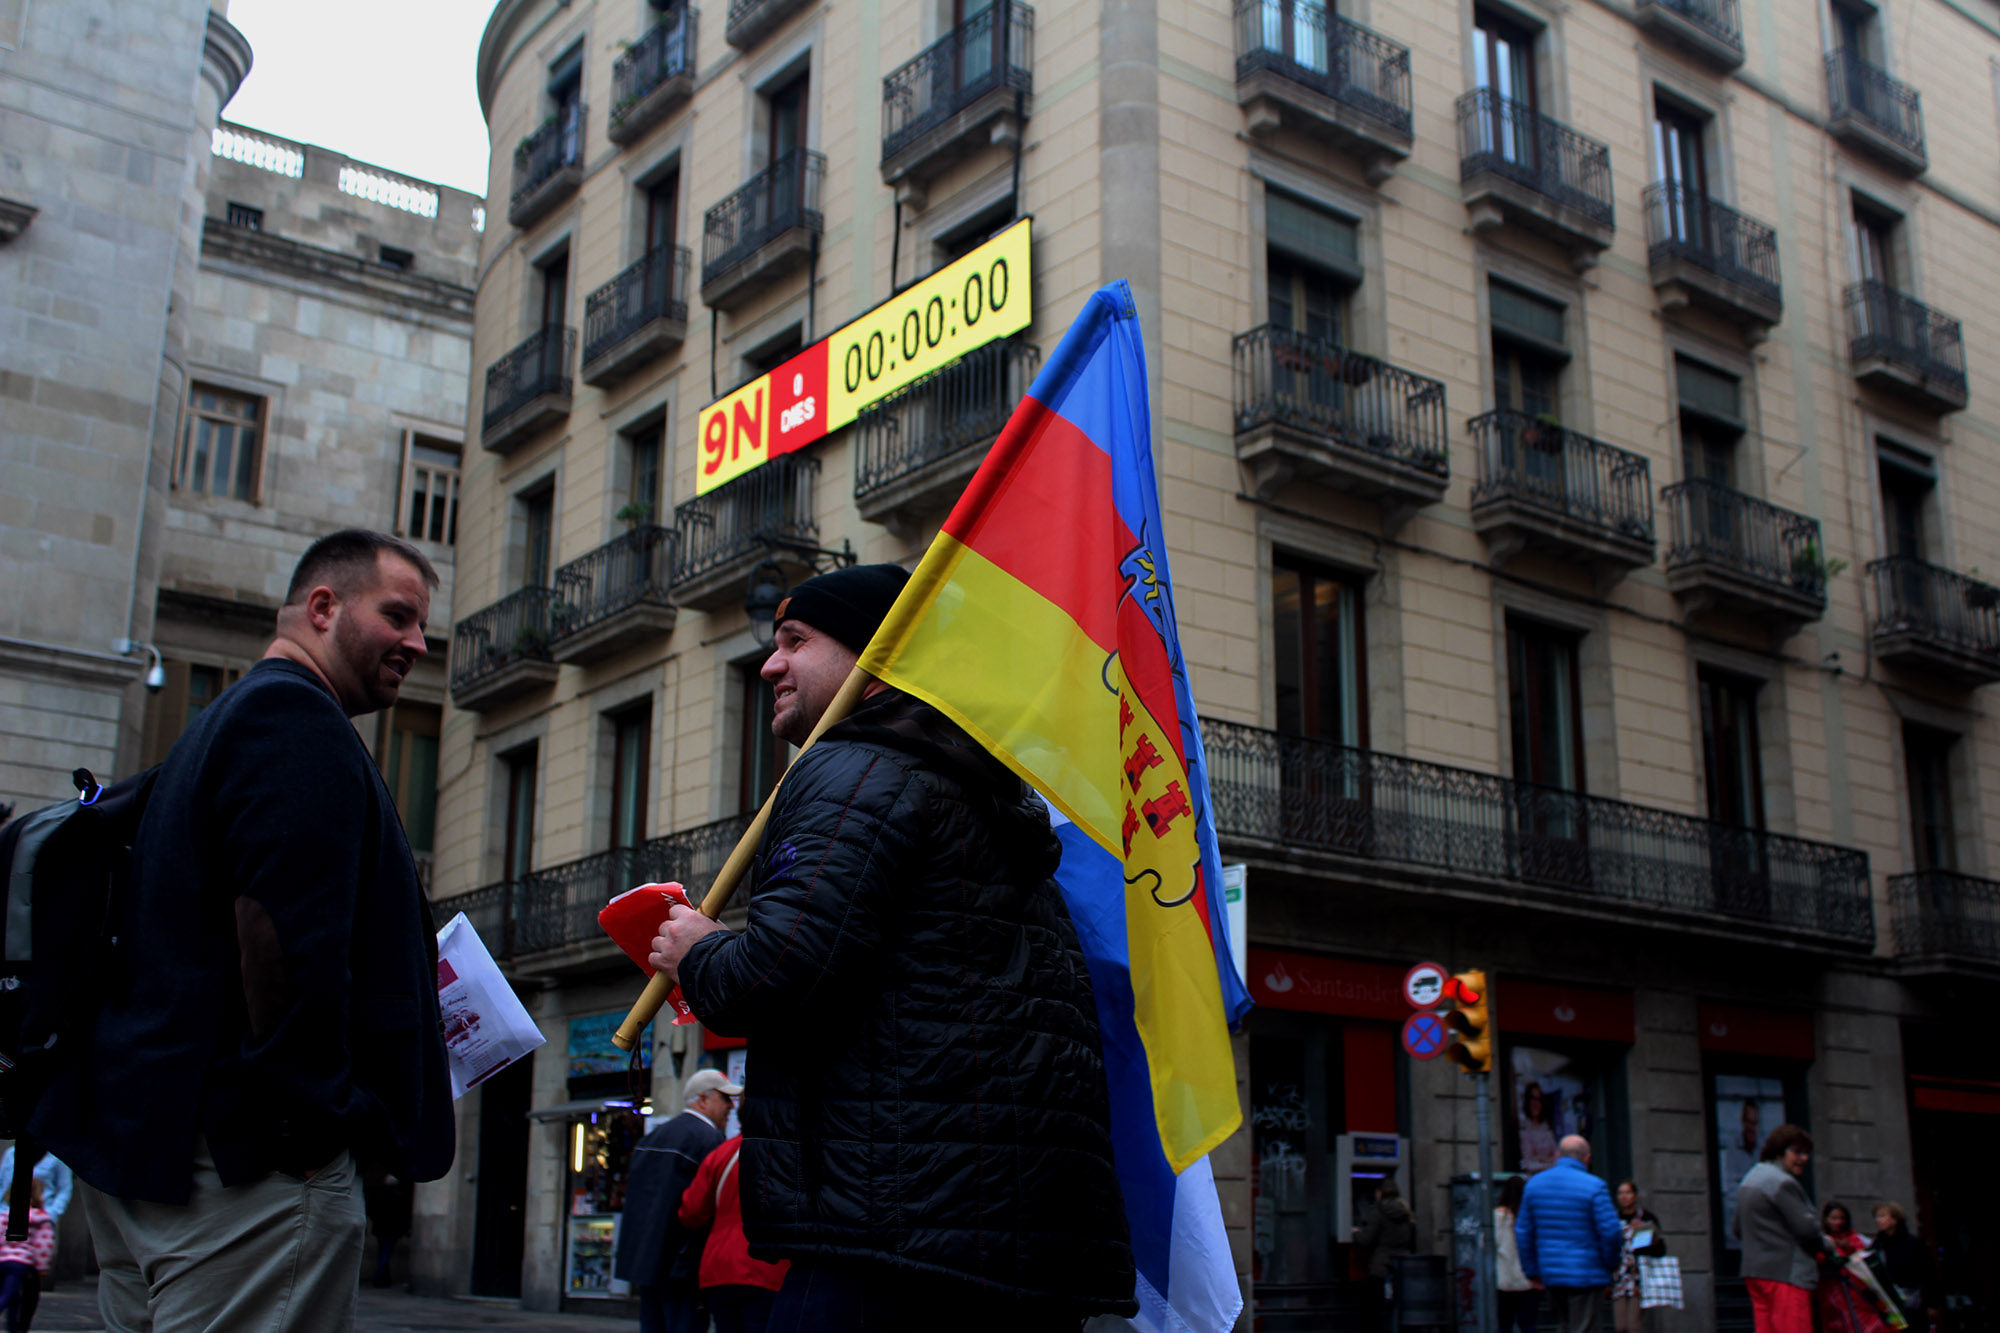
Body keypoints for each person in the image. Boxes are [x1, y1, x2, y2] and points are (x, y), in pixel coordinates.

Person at [649, 564, 1136, 1331]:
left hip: (883, 1239)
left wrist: (698, 950)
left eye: (796, 641)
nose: (771, 664)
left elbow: (778, 971)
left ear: (877, 654)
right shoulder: (980, 790)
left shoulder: (851, 766)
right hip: (1002, 1246)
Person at [34, 529, 456, 1333]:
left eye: (422, 625)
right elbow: (279, 936)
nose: (418, 642)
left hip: (164, 1154)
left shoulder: (224, 722)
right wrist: (314, 1122)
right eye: (398, 614)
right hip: (247, 1180)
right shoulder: (294, 723)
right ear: (323, 607)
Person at [615, 1069, 737, 1333]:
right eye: (725, 1098)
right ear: (703, 1099)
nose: (731, 1106)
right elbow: (701, 1206)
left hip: (648, 1262)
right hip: (682, 1265)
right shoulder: (709, 1139)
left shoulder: (654, 1137)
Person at [678, 1129, 790, 1333]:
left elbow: (691, 1212)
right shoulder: (787, 1152)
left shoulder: (723, 1152)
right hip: (768, 1268)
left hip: (720, 1266)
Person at [1514, 1135, 1624, 1333]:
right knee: (1585, 1327)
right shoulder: (1595, 1186)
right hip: (1587, 1272)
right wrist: (1611, 1263)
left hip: (1552, 1272)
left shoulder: (1534, 1185)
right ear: (1587, 1158)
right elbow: (1611, 1232)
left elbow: (1523, 1232)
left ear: (1558, 1155)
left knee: (1564, 1325)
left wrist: (1532, 1271)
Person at [1735, 1124, 1829, 1333]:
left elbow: (1737, 1228)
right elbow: (1807, 1229)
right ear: (1779, 1151)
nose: (1803, 1158)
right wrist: (1828, 1246)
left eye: (1806, 1153)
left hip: (1756, 1273)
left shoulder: (1751, 1178)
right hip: (1786, 1274)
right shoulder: (1782, 1183)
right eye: (1796, 1152)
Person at [1353, 1178, 1417, 1333]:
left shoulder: (1378, 1212)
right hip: (1402, 1266)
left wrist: (1356, 1233)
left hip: (1382, 1267)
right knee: (1397, 1308)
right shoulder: (1406, 1211)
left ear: (1379, 1194)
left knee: (1373, 1309)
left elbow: (1366, 1240)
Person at [1816, 1202, 1891, 1333]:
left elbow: (1864, 1259)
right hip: (1831, 1292)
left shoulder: (1855, 1239)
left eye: (1842, 1218)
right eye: (1834, 1218)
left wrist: (1849, 1248)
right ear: (1826, 1220)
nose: (1838, 1222)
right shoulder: (1821, 1241)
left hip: (1857, 1291)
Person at [1871, 1202, 1938, 1332]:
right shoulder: (1878, 1244)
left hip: (1912, 1304)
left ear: (1895, 1219)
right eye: (1877, 1216)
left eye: (1883, 1216)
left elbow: (1928, 1274)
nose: (1878, 1220)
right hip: (1888, 1304)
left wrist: (1932, 1304)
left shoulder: (1913, 1243)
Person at [1610, 1179, 1667, 1333]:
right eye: (1621, 1193)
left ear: (1635, 1196)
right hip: (1619, 1277)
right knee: (1621, 1327)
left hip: (1639, 1277)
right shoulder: (1612, 1219)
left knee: (1633, 1325)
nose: (1624, 1197)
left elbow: (1660, 1250)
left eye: (1628, 1193)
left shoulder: (1646, 1217)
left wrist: (1649, 1236)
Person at [0, 1178, 51, 1333]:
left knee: (12, 1296)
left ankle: (13, 1328)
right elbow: (43, 1245)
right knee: (10, 1296)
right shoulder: (41, 1219)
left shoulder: (4, 1216)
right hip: (21, 1263)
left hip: (2, 1261)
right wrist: (41, 1267)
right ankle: (15, 1328)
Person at [1495, 1175, 1538, 1333]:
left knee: (1504, 1324)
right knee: (1529, 1324)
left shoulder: (1498, 1216)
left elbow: (1488, 1243)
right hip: (1528, 1279)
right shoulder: (1530, 1215)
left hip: (1504, 1279)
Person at [1519, 1082, 1558, 1173]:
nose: (1536, 1103)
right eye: (1533, 1099)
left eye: (1539, 1099)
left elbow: (1557, 1157)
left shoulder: (1546, 1127)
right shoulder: (1524, 1128)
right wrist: (1547, 1161)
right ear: (1528, 1102)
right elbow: (1527, 1164)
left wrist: (1540, 1159)